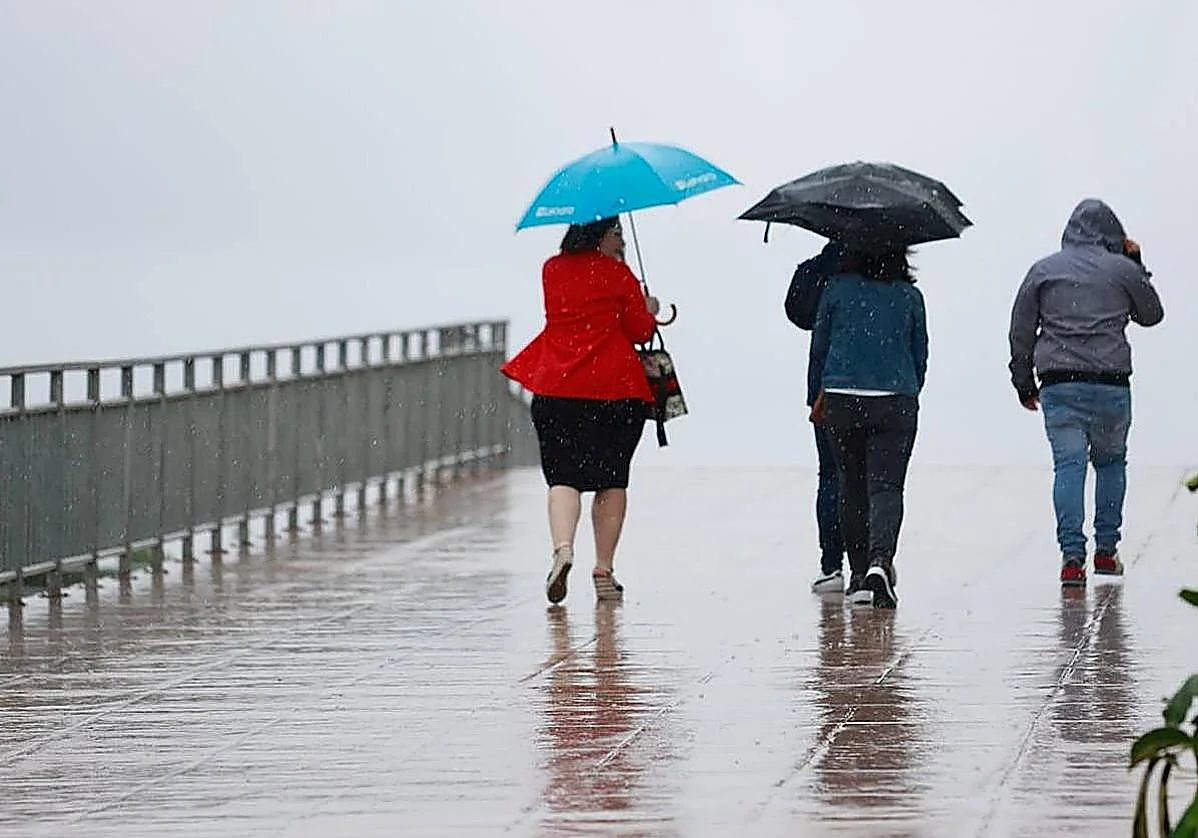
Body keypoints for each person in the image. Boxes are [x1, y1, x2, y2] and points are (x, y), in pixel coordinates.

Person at [501, 216, 661, 605]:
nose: (621, 237)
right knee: (612, 481)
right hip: (615, 390)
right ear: (603, 233)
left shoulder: (552, 269)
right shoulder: (618, 274)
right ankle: (603, 569)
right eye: (617, 231)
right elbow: (640, 331)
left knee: (563, 478)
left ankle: (562, 549)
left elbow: (571, 314)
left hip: (558, 387)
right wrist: (647, 305)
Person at [1008, 198, 1163, 587]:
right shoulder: (1122, 270)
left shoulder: (1043, 270)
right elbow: (1152, 314)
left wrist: (1023, 382)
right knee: (1111, 465)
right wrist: (1136, 263)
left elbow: (1021, 330)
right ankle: (1107, 553)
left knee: (1069, 466)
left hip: (1060, 384)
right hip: (1110, 384)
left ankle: (1072, 558)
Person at [810, 246, 928, 609]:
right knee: (887, 487)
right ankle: (880, 560)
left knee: (852, 485)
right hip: (895, 397)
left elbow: (820, 346)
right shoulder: (909, 296)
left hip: (843, 397)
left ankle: (859, 576)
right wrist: (908, 387)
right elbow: (919, 352)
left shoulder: (836, 289)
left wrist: (820, 391)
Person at [784, 242, 848, 593]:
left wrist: (820, 267)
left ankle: (831, 563)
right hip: (877, 385)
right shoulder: (883, 266)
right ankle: (873, 559)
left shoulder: (819, 270)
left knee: (832, 475)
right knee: (872, 479)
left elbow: (798, 314)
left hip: (826, 387)